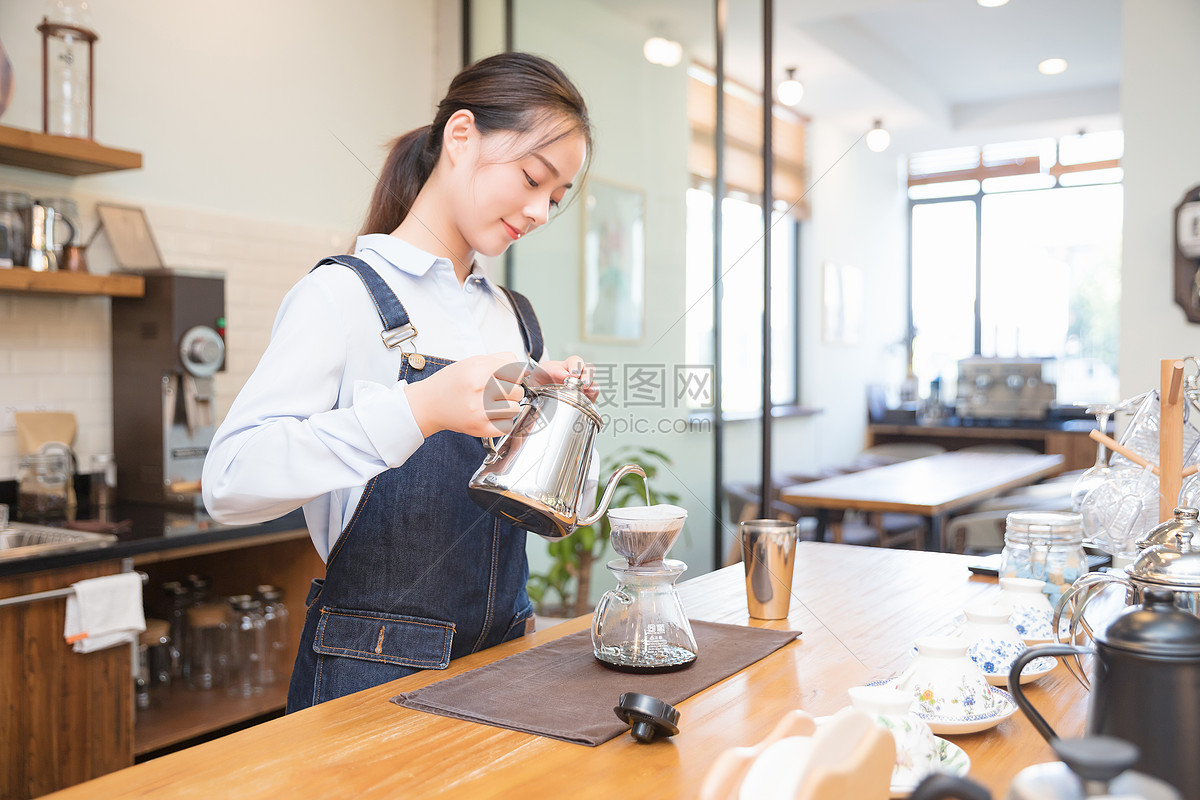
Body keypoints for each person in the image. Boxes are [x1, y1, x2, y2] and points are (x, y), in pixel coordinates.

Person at [202, 52, 593, 712]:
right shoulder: (339, 297)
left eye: (556, 197)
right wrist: (418, 410)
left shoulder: (515, 319)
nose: (540, 212)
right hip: (369, 683)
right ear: (461, 137)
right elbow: (228, 483)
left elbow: (561, 510)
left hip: (505, 666)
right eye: (532, 178)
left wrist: (563, 422)